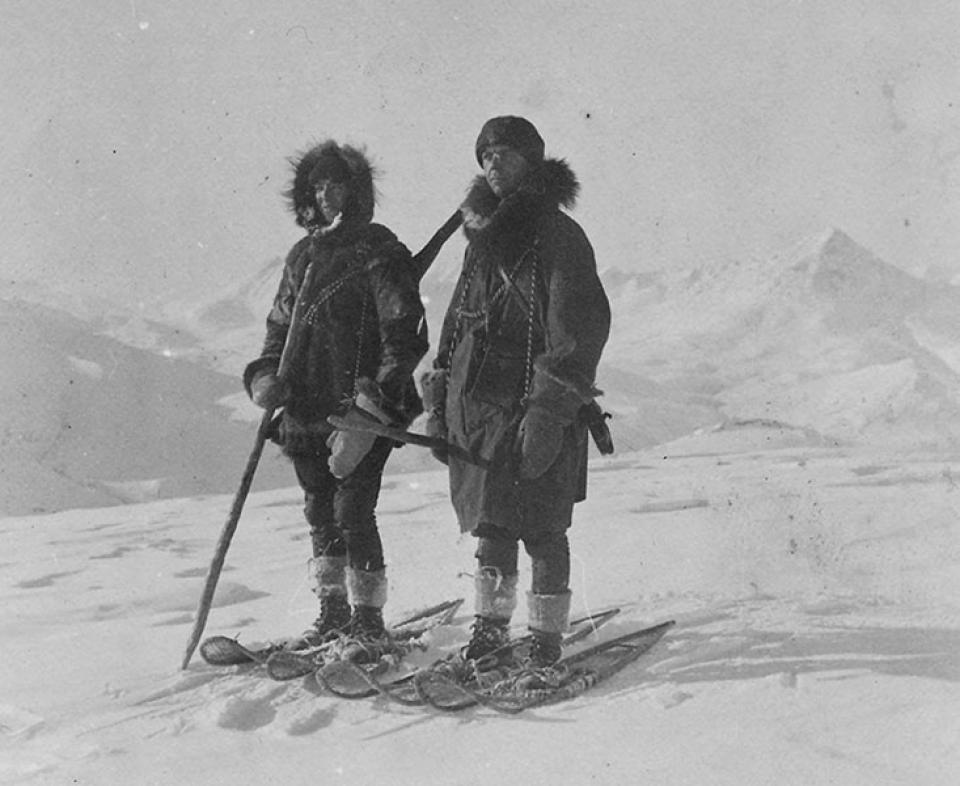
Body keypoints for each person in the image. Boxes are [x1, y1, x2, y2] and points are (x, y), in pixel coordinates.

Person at [424, 116, 611, 669]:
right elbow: (456, 324)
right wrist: (439, 403)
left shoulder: (560, 238)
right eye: (485, 156)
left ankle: (546, 640)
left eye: (505, 154)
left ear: (532, 161)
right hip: (481, 415)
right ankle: (489, 633)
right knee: (492, 528)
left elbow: (579, 329)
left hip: (536, 411)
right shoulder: (480, 243)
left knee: (543, 528)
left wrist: (549, 411)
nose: (493, 164)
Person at [243, 140, 427, 657]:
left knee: (353, 513)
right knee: (320, 514)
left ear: (357, 191)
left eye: (336, 184)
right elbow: (278, 330)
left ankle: (368, 623)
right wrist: (264, 379)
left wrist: (375, 406)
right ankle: (333, 615)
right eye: (317, 186)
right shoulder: (303, 256)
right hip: (305, 411)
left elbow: (404, 335)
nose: (326, 194)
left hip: (360, 412)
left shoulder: (379, 250)